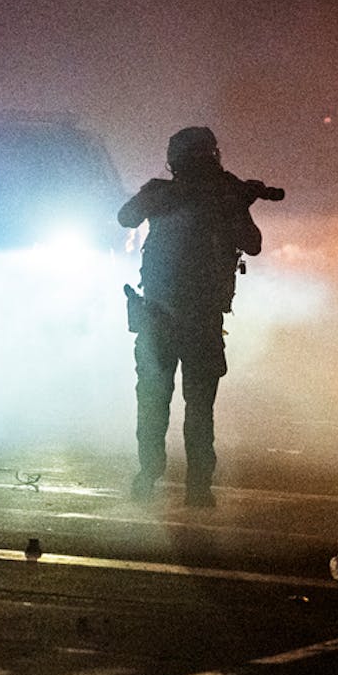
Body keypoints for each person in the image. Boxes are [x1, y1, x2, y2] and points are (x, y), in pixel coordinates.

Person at [118, 127, 265, 508]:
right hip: (184, 318)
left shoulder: (215, 195)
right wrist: (228, 201)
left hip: (170, 317)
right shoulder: (191, 194)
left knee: (160, 403)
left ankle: (159, 477)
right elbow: (127, 216)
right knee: (192, 407)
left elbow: (252, 243)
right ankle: (191, 485)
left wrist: (232, 203)